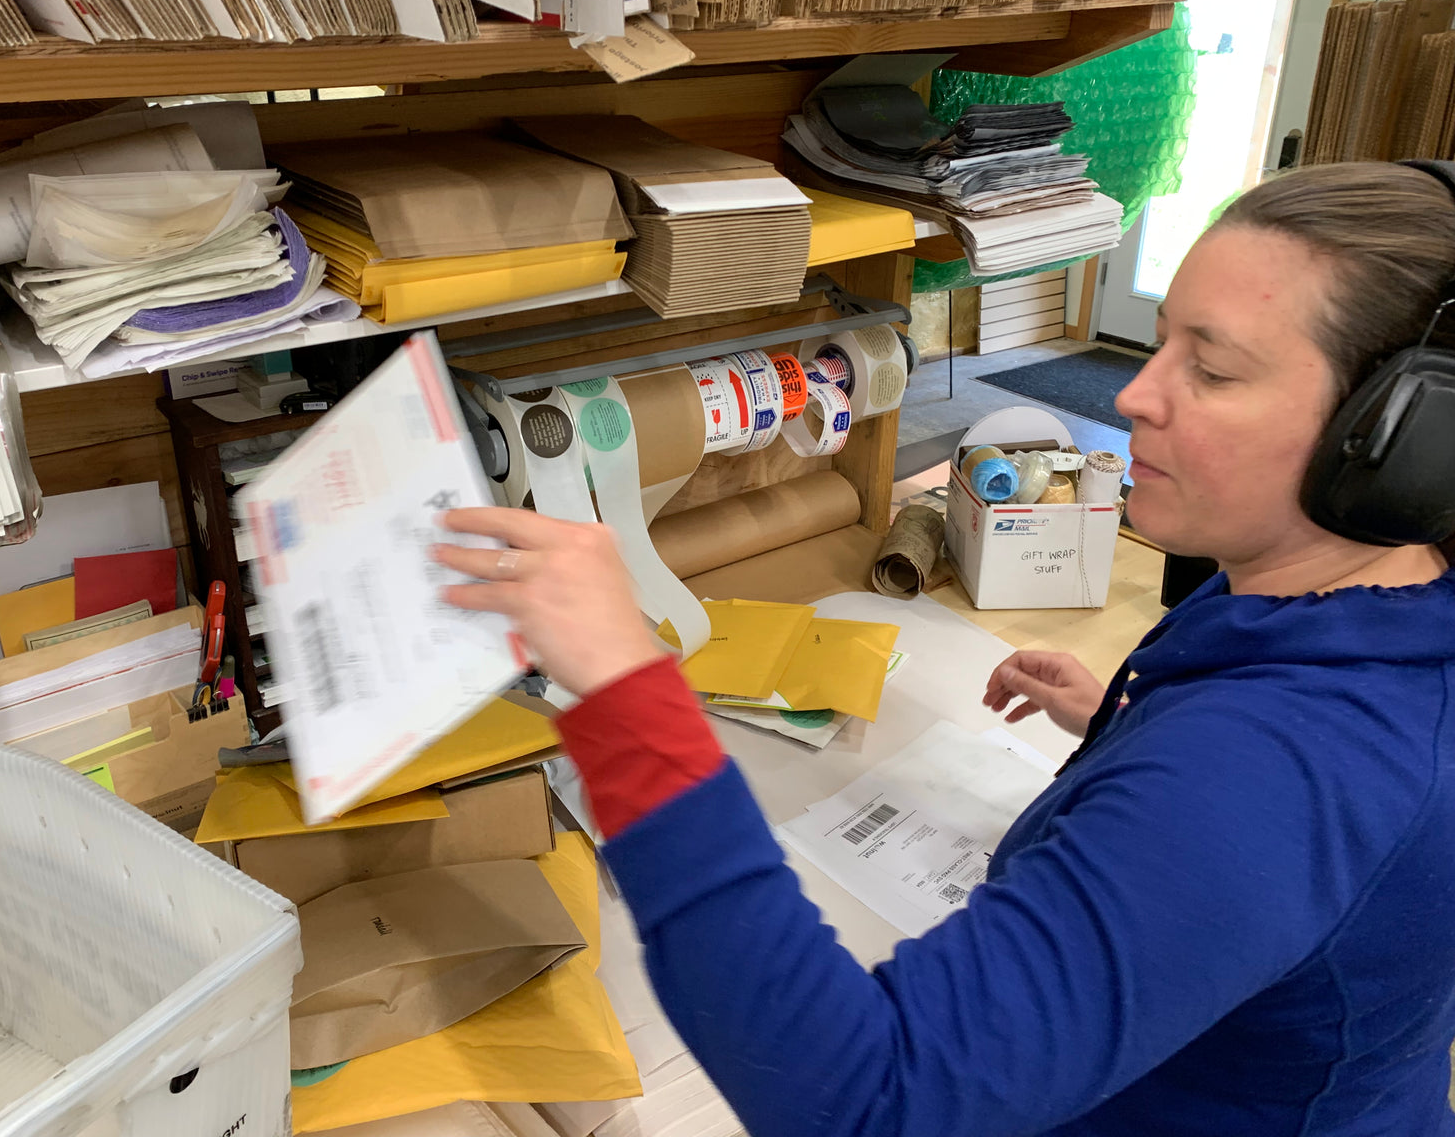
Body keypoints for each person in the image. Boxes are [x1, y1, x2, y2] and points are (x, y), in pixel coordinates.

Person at [430, 161, 1455, 1136]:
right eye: (1164, 344)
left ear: (1401, 439)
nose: (1137, 395)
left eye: (1214, 369)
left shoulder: (1269, 774)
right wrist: (1127, 717)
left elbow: (865, 1100)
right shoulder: (1367, 610)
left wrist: (621, 686)